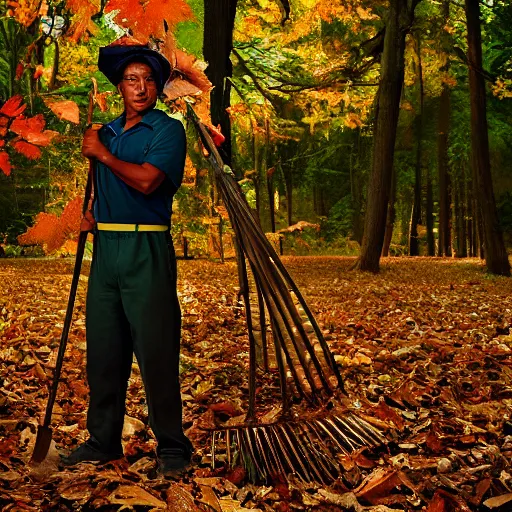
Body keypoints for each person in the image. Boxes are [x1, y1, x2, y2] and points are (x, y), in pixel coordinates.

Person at [62, 41, 193, 476]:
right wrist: (92, 216)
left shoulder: (167, 129)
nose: (141, 87)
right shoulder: (106, 131)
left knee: (155, 349)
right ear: (119, 85)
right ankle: (102, 440)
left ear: (157, 87)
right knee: (103, 349)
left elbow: (148, 182)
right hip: (107, 252)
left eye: (149, 79)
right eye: (132, 79)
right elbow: (107, 190)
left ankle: (172, 446)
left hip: (146, 248)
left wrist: (102, 155)